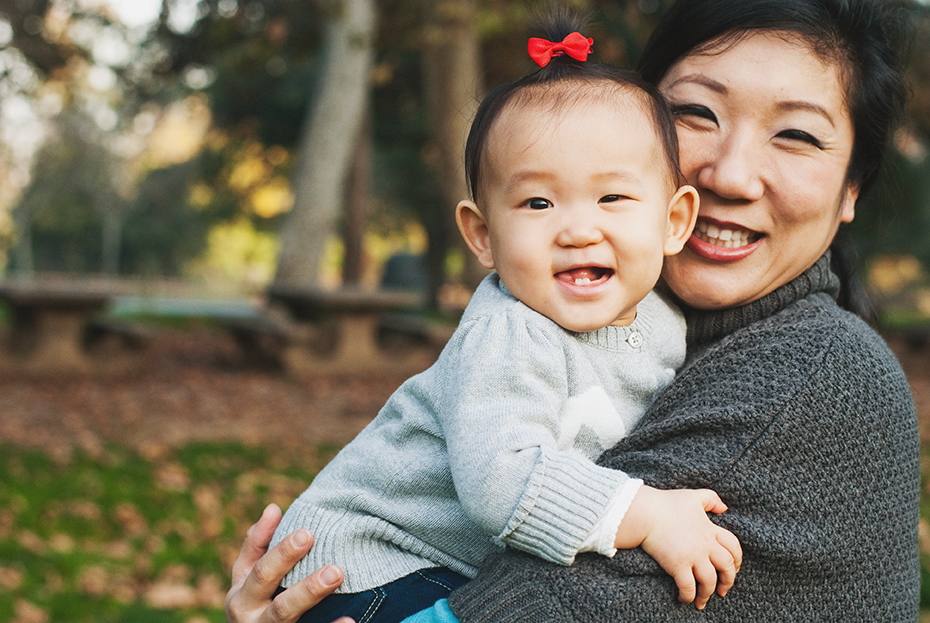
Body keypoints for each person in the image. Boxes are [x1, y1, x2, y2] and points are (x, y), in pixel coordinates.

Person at [225, 0, 920, 620]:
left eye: (796, 134)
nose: (731, 175)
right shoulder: (565, 323)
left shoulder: (820, 374)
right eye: (695, 113)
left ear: (853, 185)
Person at [257, 19, 745, 623]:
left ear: (674, 221)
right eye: (537, 202)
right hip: (365, 563)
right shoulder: (511, 332)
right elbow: (500, 479)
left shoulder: (669, 324)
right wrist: (643, 514)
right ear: (483, 235)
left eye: (612, 197)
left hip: (435, 563)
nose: (576, 229)